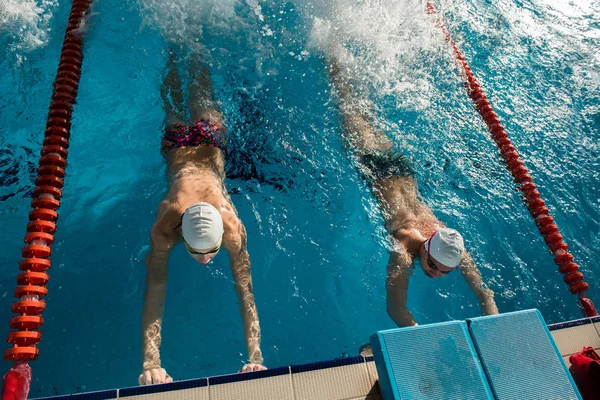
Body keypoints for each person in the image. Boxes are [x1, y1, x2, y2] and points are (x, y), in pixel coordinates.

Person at [319, 37, 498, 335]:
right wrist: (426, 338)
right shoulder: (402, 252)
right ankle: (328, 48)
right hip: (375, 166)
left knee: (364, 113)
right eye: (433, 266)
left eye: (445, 271)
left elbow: (486, 295)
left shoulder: (451, 247)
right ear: (426, 247)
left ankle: (346, 55)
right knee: (345, 101)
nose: (437, 274)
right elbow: (395, 309)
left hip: (400, 169)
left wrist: (494, 324)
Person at [139, 53, 266, 386]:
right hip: (194, 144)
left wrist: (256, 358)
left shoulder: (181, 225)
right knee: (192, 89)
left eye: (208, 251)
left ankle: (176, 48)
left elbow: (157, 285)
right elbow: (245, 291)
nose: (208, 260)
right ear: (181, 233)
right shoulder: (171, 224)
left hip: (200, 144)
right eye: (202, 253)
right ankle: (179, 48)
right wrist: (151, 361)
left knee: (183, 93)